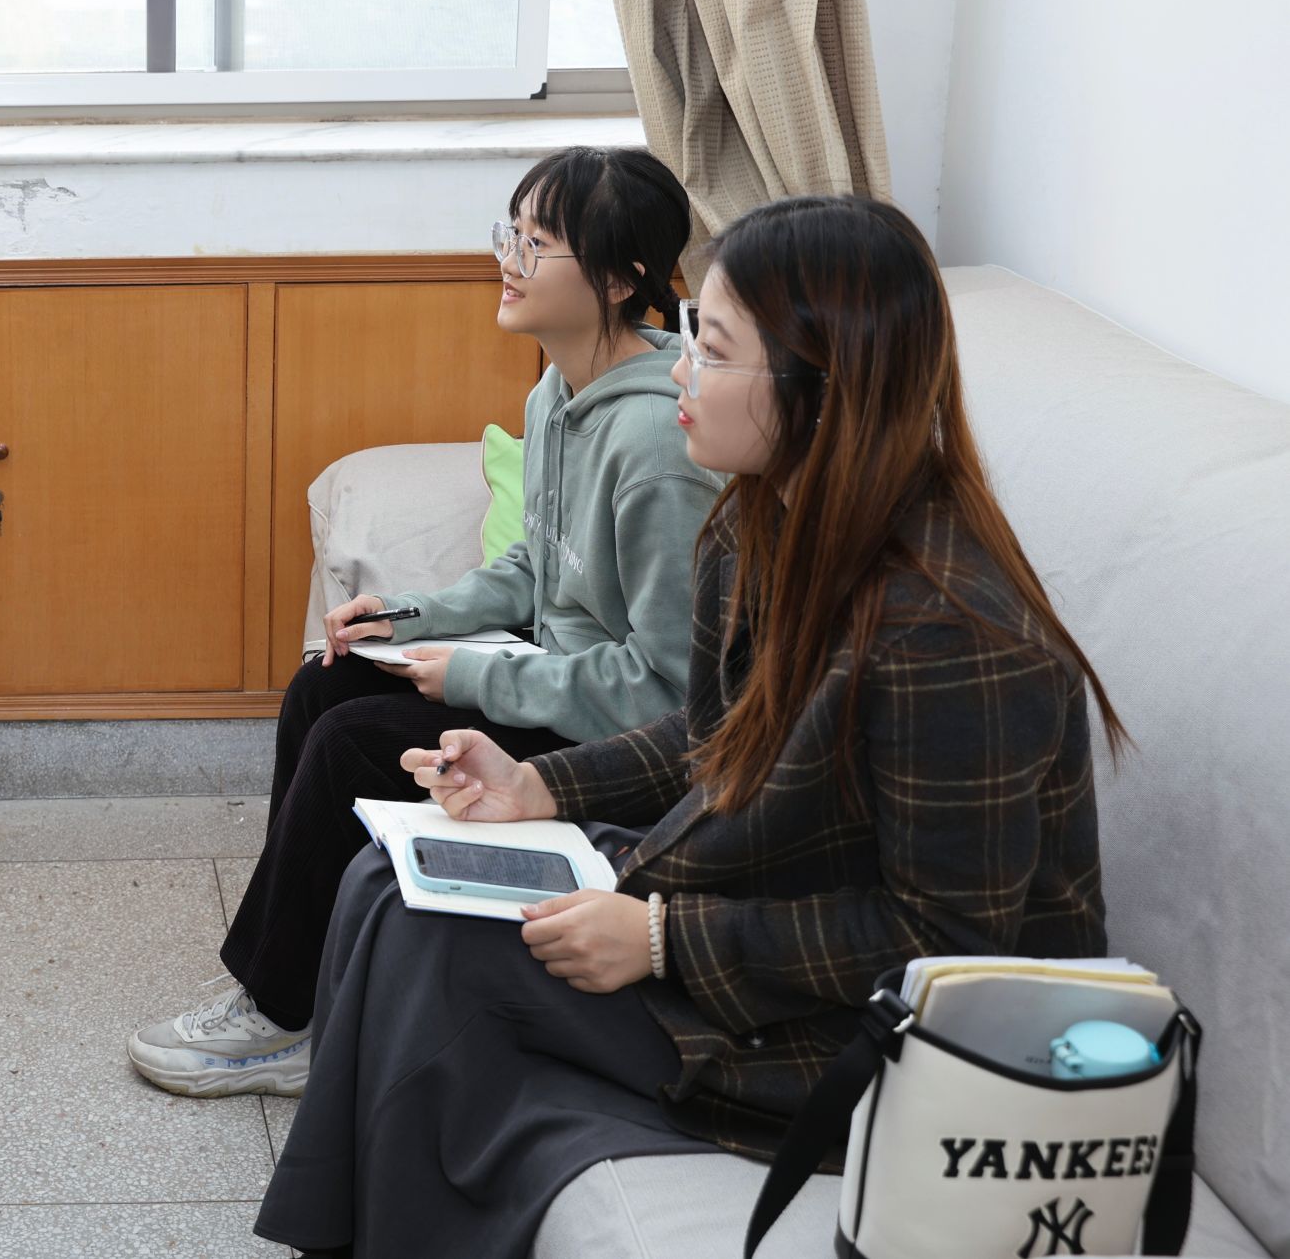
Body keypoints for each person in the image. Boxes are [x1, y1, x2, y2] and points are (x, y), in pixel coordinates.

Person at [255, 195, 1124, 1259]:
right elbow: (710, 738)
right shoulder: (752, 523)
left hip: (880, 1035)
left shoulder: (950, 633)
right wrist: (538, 788)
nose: (677, 372)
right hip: (763, 896)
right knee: (392, 878)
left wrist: (665, 939)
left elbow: (951, 944)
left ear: (822, 385)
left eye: (710, 349)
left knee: (442, 950)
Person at [129, 148, 720, 1097]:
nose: (510, 260)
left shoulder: (656, 448)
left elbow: (664, 690)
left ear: (619, 279)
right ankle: (303, 984)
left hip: (619, 742)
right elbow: (532, 568)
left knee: (353, 743)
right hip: (553, 677)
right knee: (326, 683)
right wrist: (408, 618)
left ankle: (283, 1021)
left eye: (539, 243)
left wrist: (474, 674)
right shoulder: (556, 392)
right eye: (511, 234)